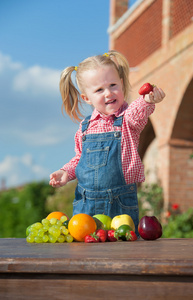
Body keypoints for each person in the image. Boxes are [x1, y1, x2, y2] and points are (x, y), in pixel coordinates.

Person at [49, 50, 165, 237]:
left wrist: (147, 100)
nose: (109, 93)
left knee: (123, 252)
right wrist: (65, 172)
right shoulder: (85, 128)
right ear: (86, 98)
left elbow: (138, 111)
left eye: (113, 85)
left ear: (121, 84)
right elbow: (80, 158)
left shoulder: (127, 120)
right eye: (99, 90)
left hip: (120, 204)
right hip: (85, 206)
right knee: (85, 254)